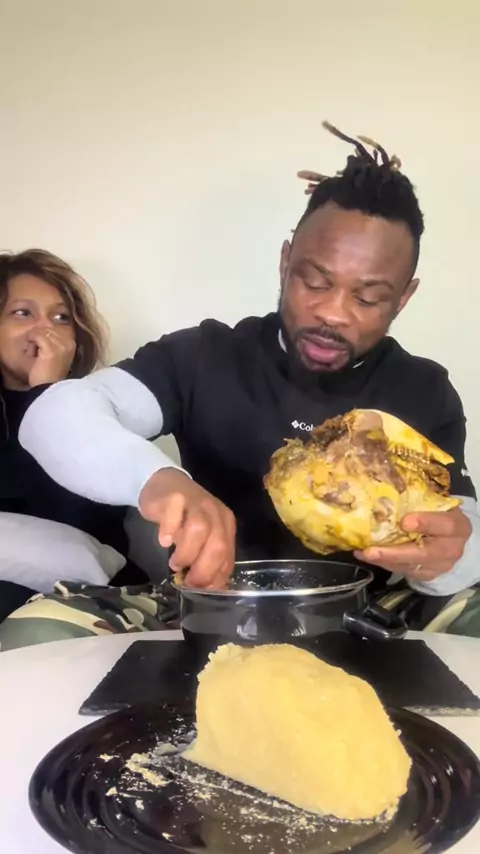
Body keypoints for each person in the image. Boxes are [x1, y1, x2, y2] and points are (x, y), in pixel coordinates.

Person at [10, 124, 480, 644]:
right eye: (314, 281)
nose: (332, 313)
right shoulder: (205, 355)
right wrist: (159, 483)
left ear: (404, 298)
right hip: (209, 601)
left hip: (365, 607)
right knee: (39, 632)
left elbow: (463, 527)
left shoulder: (424, 389)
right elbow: (54, 417)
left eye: (368, 298)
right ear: (284, 263)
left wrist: (448, 556)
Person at [0, 250, 155, 629]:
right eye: (23, 312)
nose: (45, 329)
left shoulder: (97, 413)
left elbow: (77, 525)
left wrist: (48, 393)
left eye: (61, 318)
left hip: (92, 599)